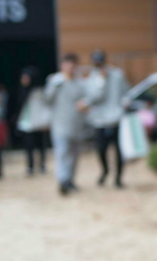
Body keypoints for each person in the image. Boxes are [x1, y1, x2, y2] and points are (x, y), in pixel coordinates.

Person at [45, 53, 89, 195]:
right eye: (67, 64)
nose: (70, 67)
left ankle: (70, 180)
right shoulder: (55, 81)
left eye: (72, 64)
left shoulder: (80, 83)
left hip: (76, 125)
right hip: (60, 125)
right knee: (62, 153)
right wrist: (54, 85)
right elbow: (47, 99)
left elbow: (87, 99)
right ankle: (63, 180)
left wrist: (85, 105)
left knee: (74, 155)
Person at [85, 49, 129, 187]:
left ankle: (118, 178)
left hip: (116, 118)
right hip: (100, 120)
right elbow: (93, 98)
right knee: (101, 149)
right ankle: (105, 171)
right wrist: (101, 81)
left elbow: (126, 91)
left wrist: (125, 103)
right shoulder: (92, 78)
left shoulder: (117, 74)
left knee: (119, 150)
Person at [12, 66, 51, 176]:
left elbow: (45, 107)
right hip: (26, 122)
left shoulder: (39, 91)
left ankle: (42, 165)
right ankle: (30, 166)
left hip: (39, 122)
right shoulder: (22, 91)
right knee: (28, 145)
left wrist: (46, 120)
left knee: (41, 145)